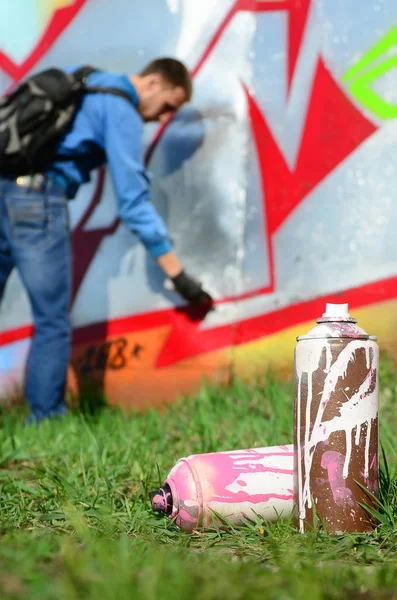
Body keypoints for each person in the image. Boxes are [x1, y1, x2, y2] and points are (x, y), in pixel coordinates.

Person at [0, 57, 213, 422]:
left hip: (4, 189)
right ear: (153, 83)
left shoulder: (89, 81)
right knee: (52, 318)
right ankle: (46, 418)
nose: (163, 118)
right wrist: (178, 276)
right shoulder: (120, 109)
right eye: (167, 107)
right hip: (36, 203)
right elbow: (133, 203)